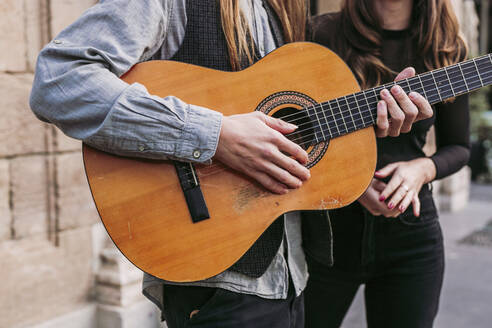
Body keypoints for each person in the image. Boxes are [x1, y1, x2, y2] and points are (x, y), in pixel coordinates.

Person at [29, 0, 432, 327]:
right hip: (219, 288)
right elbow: (59, 80)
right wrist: (214, 136)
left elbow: (290, 129)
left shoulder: (285, 12)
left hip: (292, 281)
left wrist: (372, 118)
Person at [305, 0, 470, 327]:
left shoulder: (445, 47)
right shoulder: (319, 33)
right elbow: (294, 132)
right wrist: (352, 185)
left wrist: (420, 170)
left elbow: (459, 147)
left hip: (411, 236)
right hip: (326, 233)